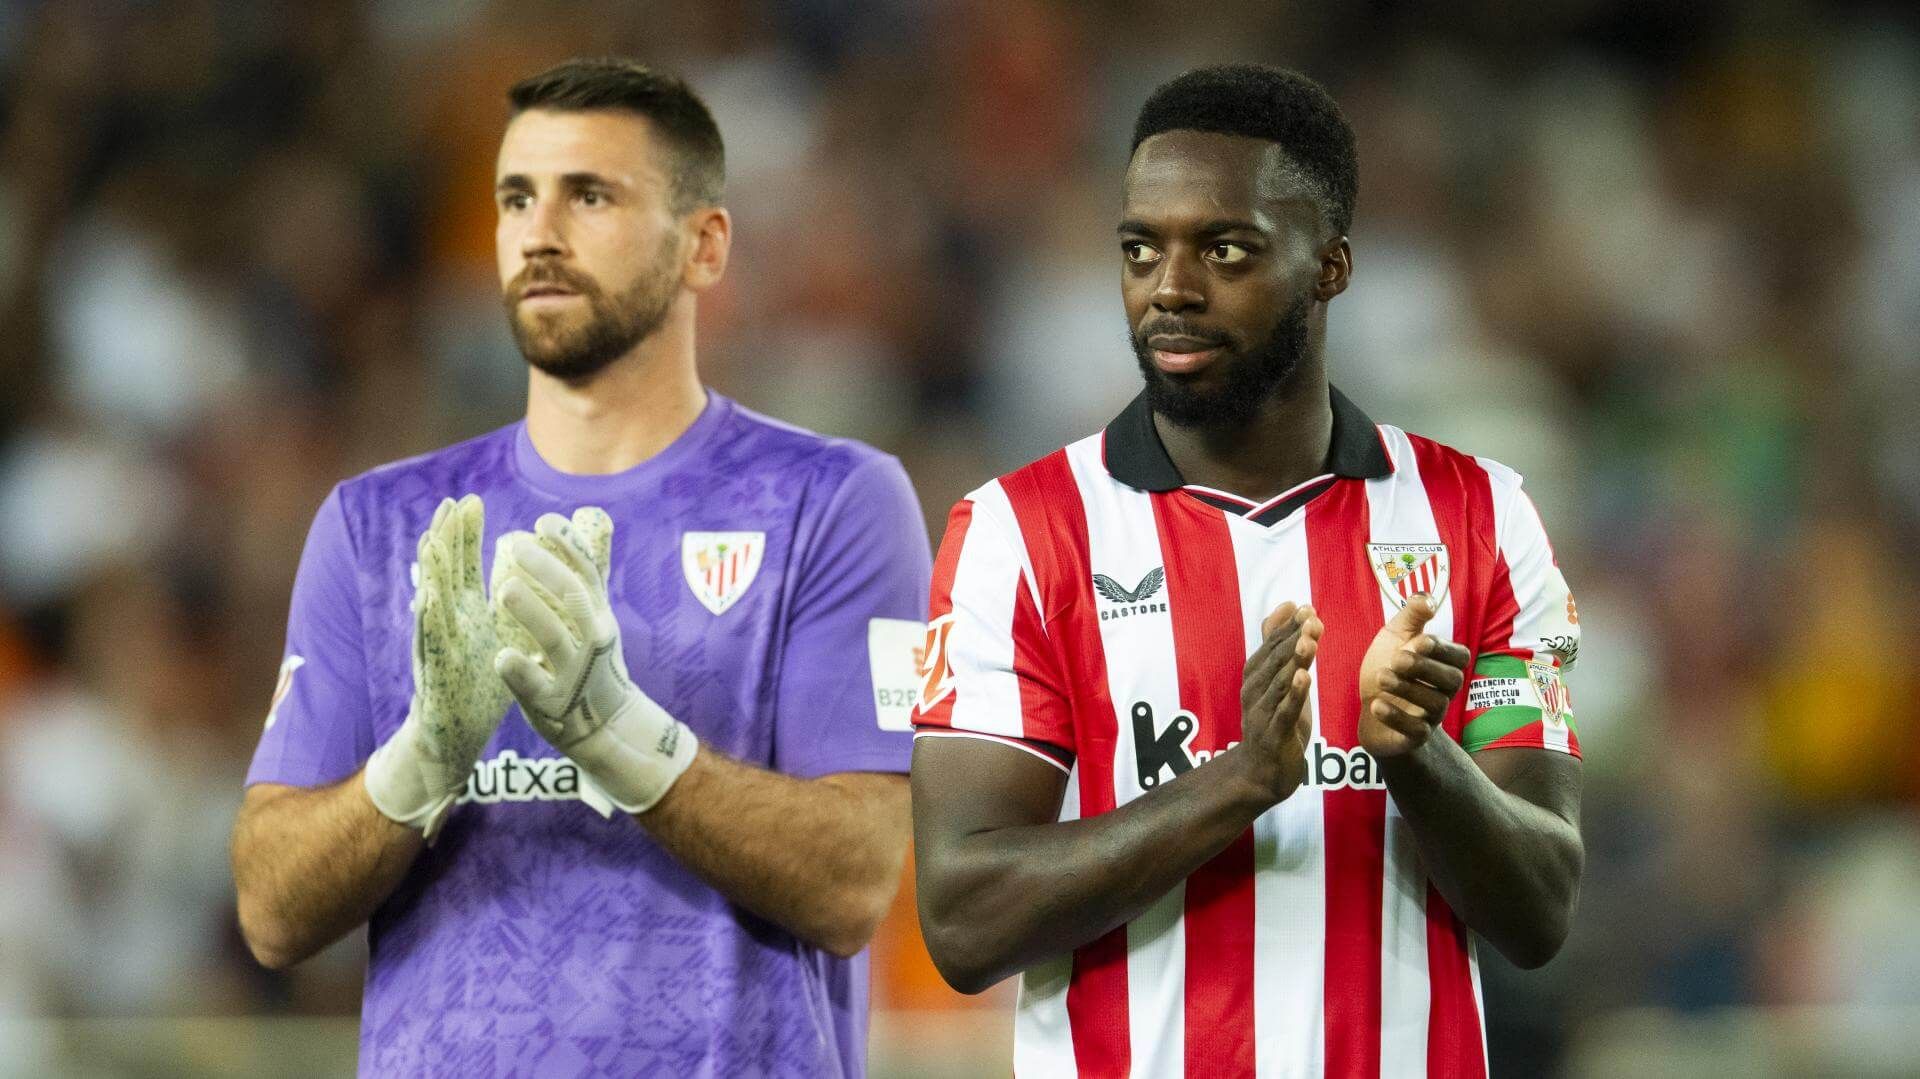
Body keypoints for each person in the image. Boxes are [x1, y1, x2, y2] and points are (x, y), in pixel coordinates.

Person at [230, 58, 931, 1077]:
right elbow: (271, 907)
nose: (540, 232)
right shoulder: (380, 525)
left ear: (705, 244)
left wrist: (618, 732)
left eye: (590, 195)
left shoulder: (832, 501)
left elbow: (855, 879)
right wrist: (422, 758)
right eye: (517, 197)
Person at [908, 64, 1584, 1078]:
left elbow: (1540, 909)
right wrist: (1241, 782)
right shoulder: (1020, 531)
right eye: (1142, 249)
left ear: (1331, 265)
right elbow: (961, 918)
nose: (1170, 288)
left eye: (1224, 248)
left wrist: (1416, 756)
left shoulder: (1480, 516)